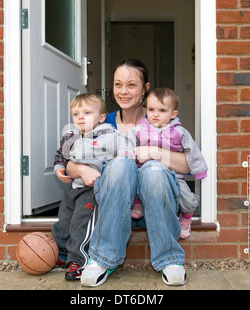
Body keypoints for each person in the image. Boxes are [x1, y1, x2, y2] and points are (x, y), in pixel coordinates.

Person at [64, 59, 193, 287]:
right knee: (122, 164)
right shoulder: (102, 121)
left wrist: (154, 151)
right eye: (118, 84)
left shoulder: (159, 116)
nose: (123, 91)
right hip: (115, 206)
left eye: (131, 85)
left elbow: (187, 165)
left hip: (156, 200)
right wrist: (81, 168)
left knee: (153, 168)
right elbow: (72, 161)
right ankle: (104, 258)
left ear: (145, 89)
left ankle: (169, 259)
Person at [52, 93, 134, 280]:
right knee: (65, 219)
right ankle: (62, 252)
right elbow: (61, 155)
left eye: (87, 112)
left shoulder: (110, 135)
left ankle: (79, 260)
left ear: (101, 117)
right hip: (74, 187)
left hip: (93, 190)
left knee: (82, 223)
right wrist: (58, 167)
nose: (80, 117)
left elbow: (123, 155)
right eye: (76, 114)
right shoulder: (70, 136)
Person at [124, 88, 208, 239]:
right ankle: (138, 205)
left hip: (175, 176)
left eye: (162, 110)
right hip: (145, 175)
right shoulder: (138, 130)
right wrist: (130, 157)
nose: (155, 114)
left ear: (173, 114)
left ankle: (185, 220)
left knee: (189, 200)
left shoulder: (180, 132)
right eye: (151, 109)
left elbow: (193, 152)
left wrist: (199, 171)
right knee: (136, 184)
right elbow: (127, 145)